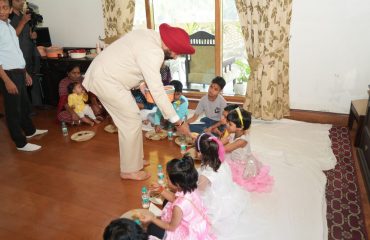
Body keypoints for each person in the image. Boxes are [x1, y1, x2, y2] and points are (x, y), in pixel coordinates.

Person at [82, 23, 194, 180]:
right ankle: (129, 170)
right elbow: (158, 91)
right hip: (107, 80)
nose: (175, 56)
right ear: (170, 44)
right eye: (176, 52)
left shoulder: (148, 35)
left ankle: (135, 161)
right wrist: (178, 123)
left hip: (106, 75)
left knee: (132, 119)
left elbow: (131, 61)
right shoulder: (155, 52)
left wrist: (141, 83)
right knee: (131, 120)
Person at [0, 0, 47, 151]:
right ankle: (20, 143)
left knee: (24, 106)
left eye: (4, 7)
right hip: (8, 73)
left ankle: (30, 131)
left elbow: (16, 51)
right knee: (13, 110)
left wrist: (25, 72)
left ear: (9, 9)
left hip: (18, 71)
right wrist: (6, 80)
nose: (1, 10)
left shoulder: (7, 25)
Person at [140, 155, 215, 240]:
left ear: (177, 184)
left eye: (168, 178)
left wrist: (153, 218)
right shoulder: (190, 187)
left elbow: (171, 227)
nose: (166, 180)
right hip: (195, 221)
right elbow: (175, 198)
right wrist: (161, 190)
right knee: (166, 201)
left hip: (187, 231)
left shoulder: (178, 207)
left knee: (152, 227)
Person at [195, 133, 251, 239]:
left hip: (216, 205)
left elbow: (199, 194)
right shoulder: (222, 162)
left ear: (199, 153)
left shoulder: (206, 175)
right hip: (229, 195)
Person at [222, 108, 273, 192]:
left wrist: (210, 147)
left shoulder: (242, 141)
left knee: (229, 178)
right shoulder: (234, 132)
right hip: (233, 157)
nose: (227, 125)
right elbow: (223, 141)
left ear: (240, 127)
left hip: (241, 164)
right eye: (227, 122)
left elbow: (226, 149)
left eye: (230, 124)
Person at [10, 0, 42, 106]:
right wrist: (23, 22)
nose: (21, 3)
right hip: (20, 54)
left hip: (31, 51)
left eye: (22, 0)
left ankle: (37, 104)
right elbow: (11, 37)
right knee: (23, 80)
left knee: (34, 77)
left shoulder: (24, 15)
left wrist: (33, 35)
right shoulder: (9, 17)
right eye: (18, 0)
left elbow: (28, 33)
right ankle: (27, 107)